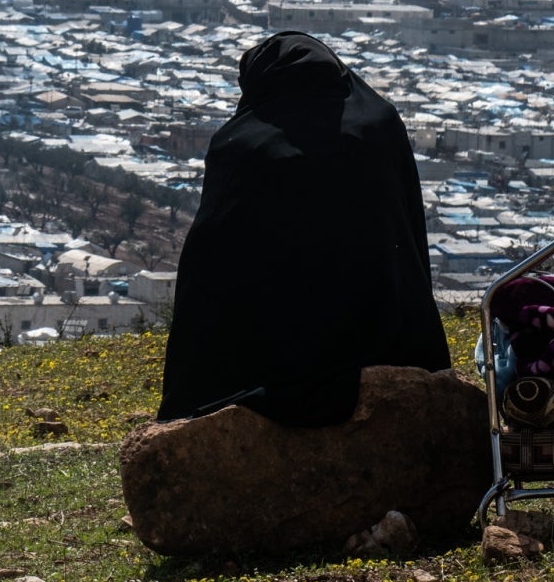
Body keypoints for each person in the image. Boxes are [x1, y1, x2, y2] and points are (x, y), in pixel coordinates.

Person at [156, 30, 449, 426]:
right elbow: (406, 229)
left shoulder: (242, 144)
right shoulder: (379, 123)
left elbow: (210, 262)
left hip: (271, 353)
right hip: (384, 333)